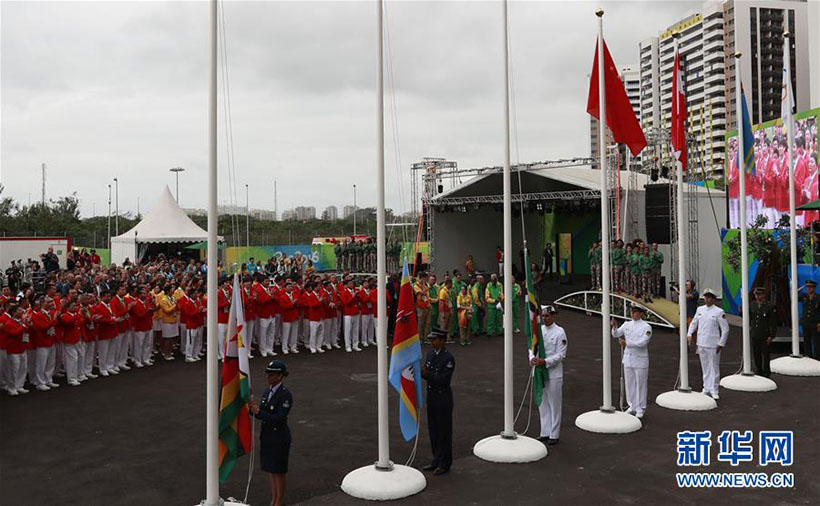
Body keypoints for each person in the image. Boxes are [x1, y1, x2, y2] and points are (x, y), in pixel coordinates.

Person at [249, 360, 293, 506]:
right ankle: (274, 499)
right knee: (271, 470)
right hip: (268, 436)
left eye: (271, 374)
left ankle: (278, 501)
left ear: (280, 376)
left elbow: (279, 419)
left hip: (279, 437)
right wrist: (251, 409)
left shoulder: (285, 395)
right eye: (267, 374)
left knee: (279, 471)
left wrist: (259, 412)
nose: (268, 377)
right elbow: (262, 412)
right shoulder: (267, 391)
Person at [530, 304, 566, 445]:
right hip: (539, 371)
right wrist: (531, 358)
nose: (545, 318)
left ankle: (554, 434)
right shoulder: (539, 331)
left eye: (547, 316)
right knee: (542, 403)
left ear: (553, 316)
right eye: (543, 316)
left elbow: (561, 355)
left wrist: (545, 361)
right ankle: (544, 432)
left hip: (553, 373)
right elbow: (531, 347)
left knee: (554, 404)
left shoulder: (559, 332)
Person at [421, 328, 455, 475]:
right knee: (433, 430)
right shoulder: (430, 354)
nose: (431, 342)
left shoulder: (448, 358)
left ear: (442, 341)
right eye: (430, 339)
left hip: (443, 398)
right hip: (432, 397)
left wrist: (427, 374)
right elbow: (428, 373)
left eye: (434, 339)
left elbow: (444, 380)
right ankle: (436, 459)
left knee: (444, 431)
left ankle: (445, 462)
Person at [686, 289, 729, 400]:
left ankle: (714, 389)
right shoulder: (700, 309)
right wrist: (689, 333)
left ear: (714, 299)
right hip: (701, 342)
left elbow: (725, 329)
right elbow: (694, 322)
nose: (707, 299)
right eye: (705, 297)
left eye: (709, 297)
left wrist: (721, 343)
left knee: (714, 367)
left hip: (713, 343)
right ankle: (706, 388)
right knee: (705, 366)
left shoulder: (719, 311)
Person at [611, 305, 653, 418]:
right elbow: (615, 334)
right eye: (632, 311)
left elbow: (643, 343)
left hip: (640, 359)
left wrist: (627, 344)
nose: (633, 313)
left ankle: (640, 408)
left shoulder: (646, 327)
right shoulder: (626, 324)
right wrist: (614, 327)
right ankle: (632, 406)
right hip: (628, 358)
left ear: (640, 313)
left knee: (641, 384)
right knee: (630, 384)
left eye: (635, 312)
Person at [749, 287, 776, 378]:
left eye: (759, 294)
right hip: (755, 333)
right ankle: (758, 370)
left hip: (764, 334)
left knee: (765, 354)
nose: (757, 296)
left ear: (764, 295)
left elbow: (772, 322)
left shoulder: (769, 306)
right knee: (756, 354)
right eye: (756, 295)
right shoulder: (752, 305)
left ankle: (766, 372)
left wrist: (771, 335)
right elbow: (750, 318)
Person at [798, 280, 820, 359]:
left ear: (814, 288)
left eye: (810, 287)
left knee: (816, 341)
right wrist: (799, 289)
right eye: (807, 287)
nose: (809, 289)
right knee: (806, 340)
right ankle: (808, 356)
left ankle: (817, 358)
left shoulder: (818, 297)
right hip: (806, 322)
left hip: (815, 323)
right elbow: (794, 298)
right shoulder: (804, 296)